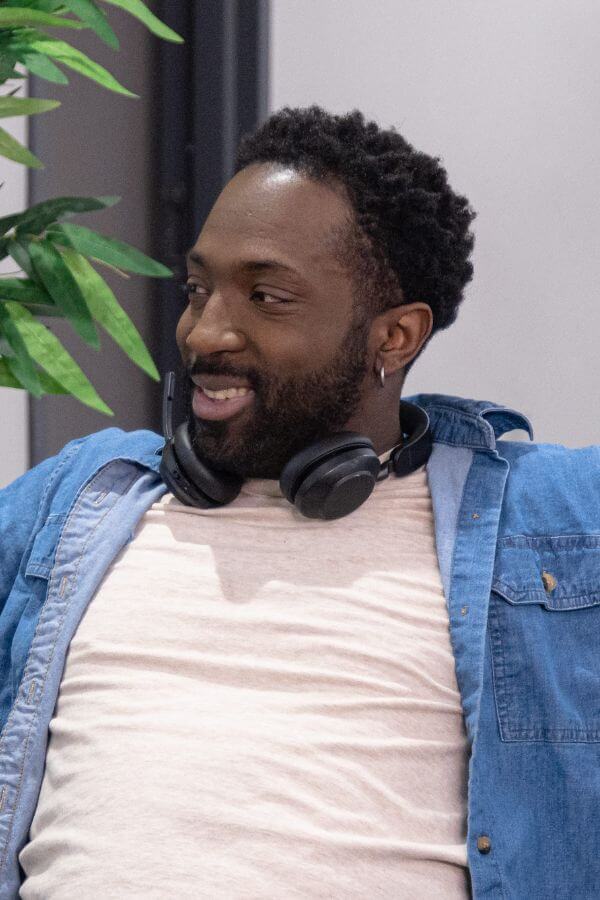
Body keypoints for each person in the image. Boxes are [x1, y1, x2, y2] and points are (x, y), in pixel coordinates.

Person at [0, 106, 598, 900]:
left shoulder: (551, 517)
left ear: (395, 337)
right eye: (198, 288)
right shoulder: (79, 498)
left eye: (266, 297)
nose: (204, 332)